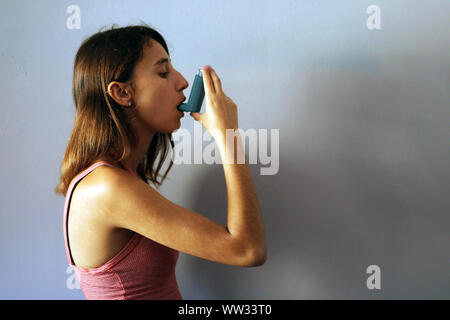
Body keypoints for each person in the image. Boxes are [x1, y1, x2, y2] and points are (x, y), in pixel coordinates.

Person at [55, 24, 266, 300]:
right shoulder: (108, 187)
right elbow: (247, 250)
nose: (182, 82)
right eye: (163, 72)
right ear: (122, 93)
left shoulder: (124, 176)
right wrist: (228, 138)